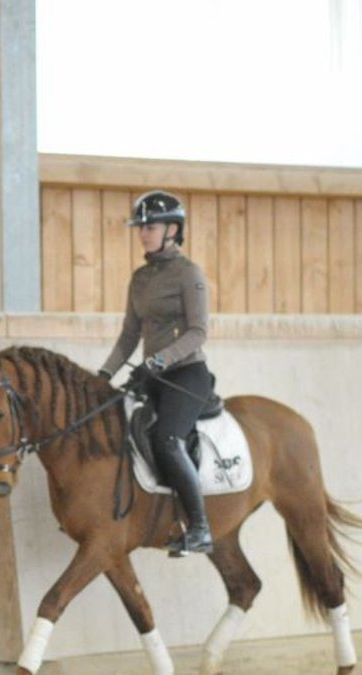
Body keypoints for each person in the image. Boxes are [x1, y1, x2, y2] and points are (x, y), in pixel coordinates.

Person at [98, 190, 214, 555]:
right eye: (140, 227)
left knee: (167, 439)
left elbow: (198, 332)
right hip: (152, 378)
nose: (143, 233)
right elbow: (130, 335)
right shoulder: (139, 279)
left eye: (150, 227)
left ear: (173, 230)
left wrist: (159, 362)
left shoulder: (188, 274)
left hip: (186, 375)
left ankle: (200, 527)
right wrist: (103, 374)